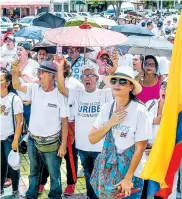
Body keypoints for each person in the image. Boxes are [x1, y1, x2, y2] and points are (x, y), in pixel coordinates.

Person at [89, 66, 150, 199]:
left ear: (130, 87)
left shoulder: (140, 111)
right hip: (109, 175)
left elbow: (140, 148)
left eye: (122, 81)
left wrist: (128, 179)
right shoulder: (107, 108)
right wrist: (110, 123)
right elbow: (92, 138)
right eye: (114, 80)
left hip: (132, 176)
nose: (117, 84)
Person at [12, 60, 69, 199]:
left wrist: (63, 145)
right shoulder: (34, 88)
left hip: (52, 142)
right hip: (32, 139)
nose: (38, 74)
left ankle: (55, 196)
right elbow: (16, 84)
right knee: (33, 170)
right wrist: (14, 70)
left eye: (42, 72)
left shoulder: (60, 94)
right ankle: (31, 194)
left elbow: (65, 122)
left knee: (54, 172)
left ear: (52, 76)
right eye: (39, 71)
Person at [57, 58, 113, 199]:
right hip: (82, 145)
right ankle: (90, 196)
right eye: (84, 76)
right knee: (88, 174)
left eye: (90, 75)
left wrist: (111, 72)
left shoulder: (104, 94)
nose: (87, 78)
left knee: (100, 176)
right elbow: (61, 88)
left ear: (96, 78)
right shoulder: (77, 94)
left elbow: (116, 88)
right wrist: (59, 67)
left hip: (100, 146)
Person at [141, 78, 168, 199]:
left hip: (163, 154)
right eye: (163, 86)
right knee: (144, 184)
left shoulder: (176, 110)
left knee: (159, 187)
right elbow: (140, 123)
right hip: (146, 151)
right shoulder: (151, 103)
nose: (166, 90)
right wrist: (153, 121)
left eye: (169, 87)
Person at [0, 68, 23, 198]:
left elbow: (19, 122)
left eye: (1, 79)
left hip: (10, 138)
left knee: (13, 165)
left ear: (8, 83)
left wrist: (15, 140)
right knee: (1, 164)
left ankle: (15, 190)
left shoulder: (14, 99)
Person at [15, 41, 39, 126]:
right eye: (17, 49)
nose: (18, 51)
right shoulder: (14, 64)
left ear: (27, 51)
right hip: (16, 102)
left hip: (28, 102)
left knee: (30, 125)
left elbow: (39, 83)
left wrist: (33, 99)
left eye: (20, 49)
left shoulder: (34, 64)